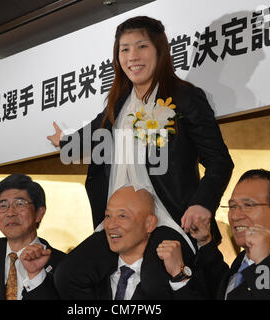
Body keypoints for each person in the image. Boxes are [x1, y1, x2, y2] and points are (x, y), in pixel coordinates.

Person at [48, 16, 233, 299]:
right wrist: (66, 142)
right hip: (121, 220)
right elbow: (95, 130)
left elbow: (220, 161)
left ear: (159, 50)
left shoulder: (185, 98)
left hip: (167, 218)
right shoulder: (119, 100)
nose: (132, 56)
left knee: (154, 285)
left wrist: (201, 204)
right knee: (68, 276)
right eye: (124, 49)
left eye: (141, 46)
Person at [188, 169, 270, 299]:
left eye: (248, 205)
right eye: (233, 206)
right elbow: (226, 291)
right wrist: (205, 243)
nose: (235, 216)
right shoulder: (243, 259)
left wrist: (263, 264)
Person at [93, 186, 201, 299]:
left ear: (149, 223)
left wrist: (178, 274)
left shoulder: (171, 280)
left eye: (122, 216)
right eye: (108, 216)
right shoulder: (91, 276)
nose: (111, 225)